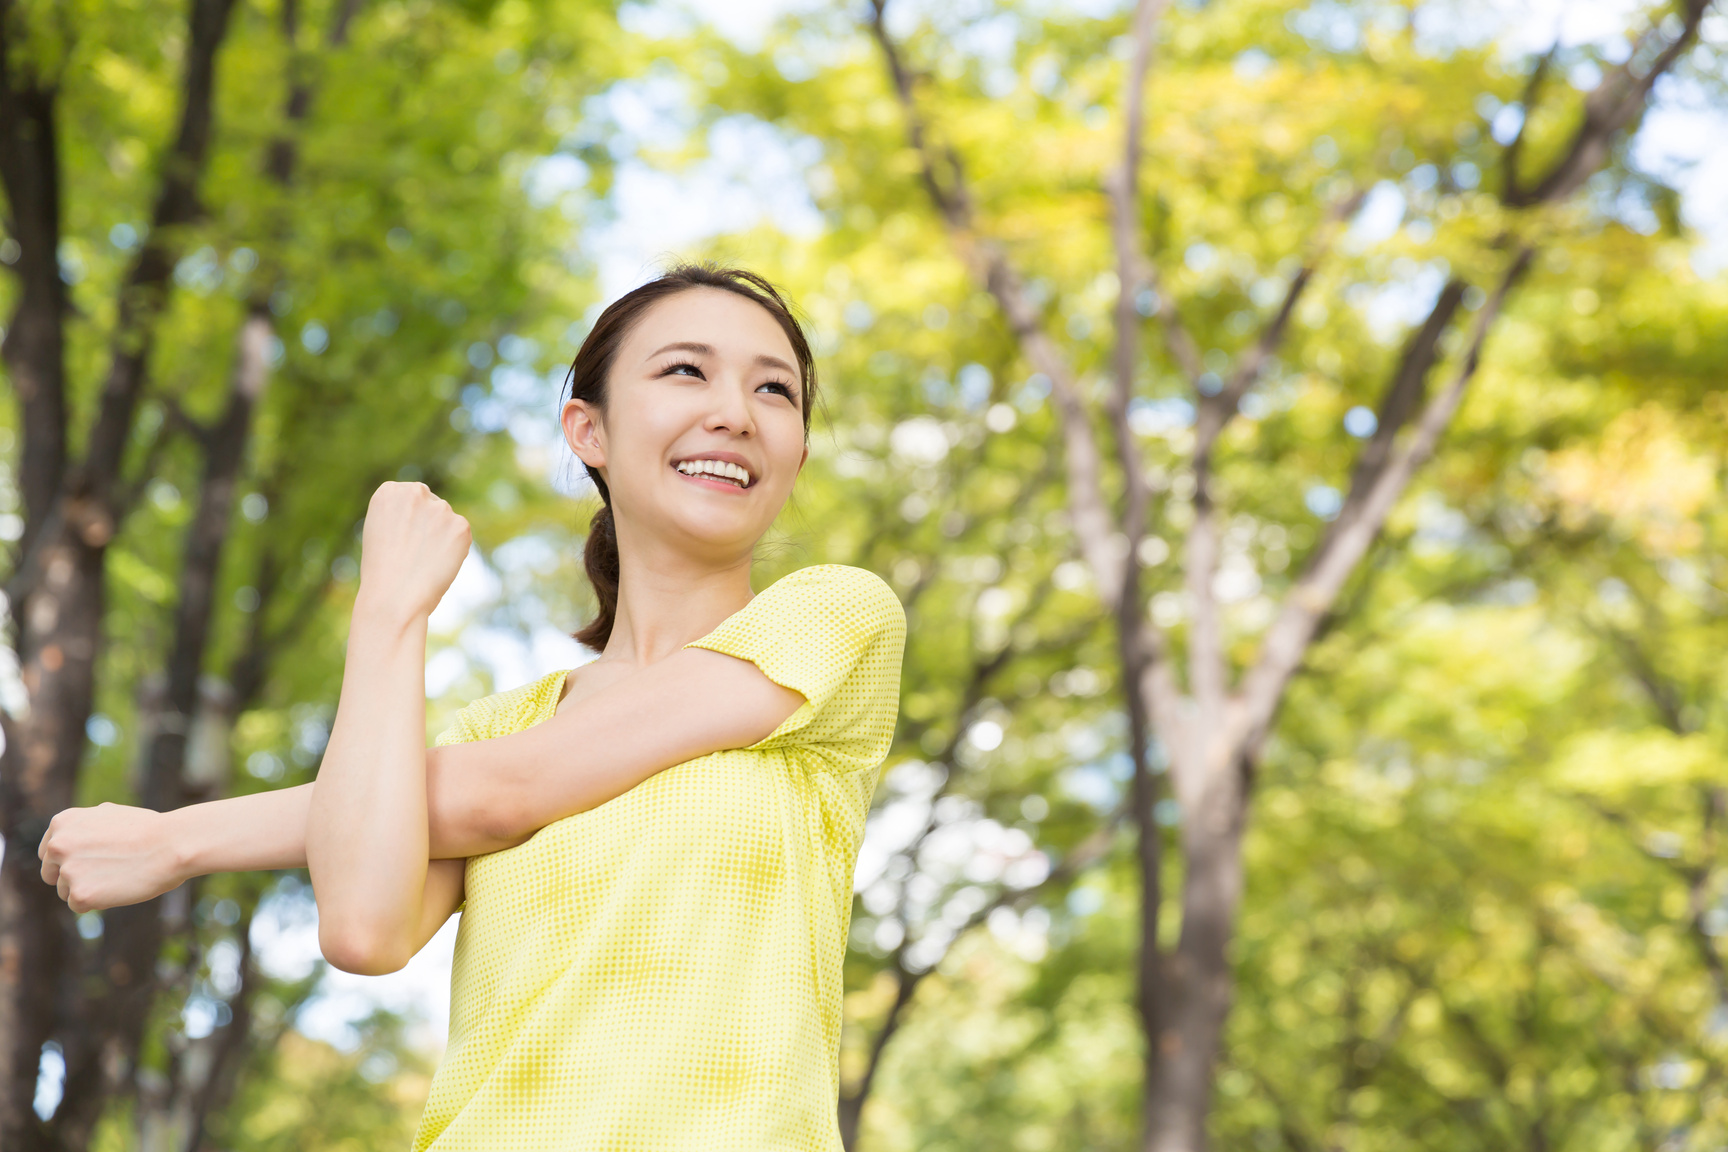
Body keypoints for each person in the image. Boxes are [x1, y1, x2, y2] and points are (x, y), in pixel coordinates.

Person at [37, 264, 907, 1151]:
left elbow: (501, 793)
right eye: (687, 370)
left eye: (775, 389)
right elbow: (365, 924)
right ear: (589, 430)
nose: (736, 411)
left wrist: (174, 839)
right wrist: (390, 612)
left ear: (797, 451)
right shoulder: (494, 728)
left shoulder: (835, 618)